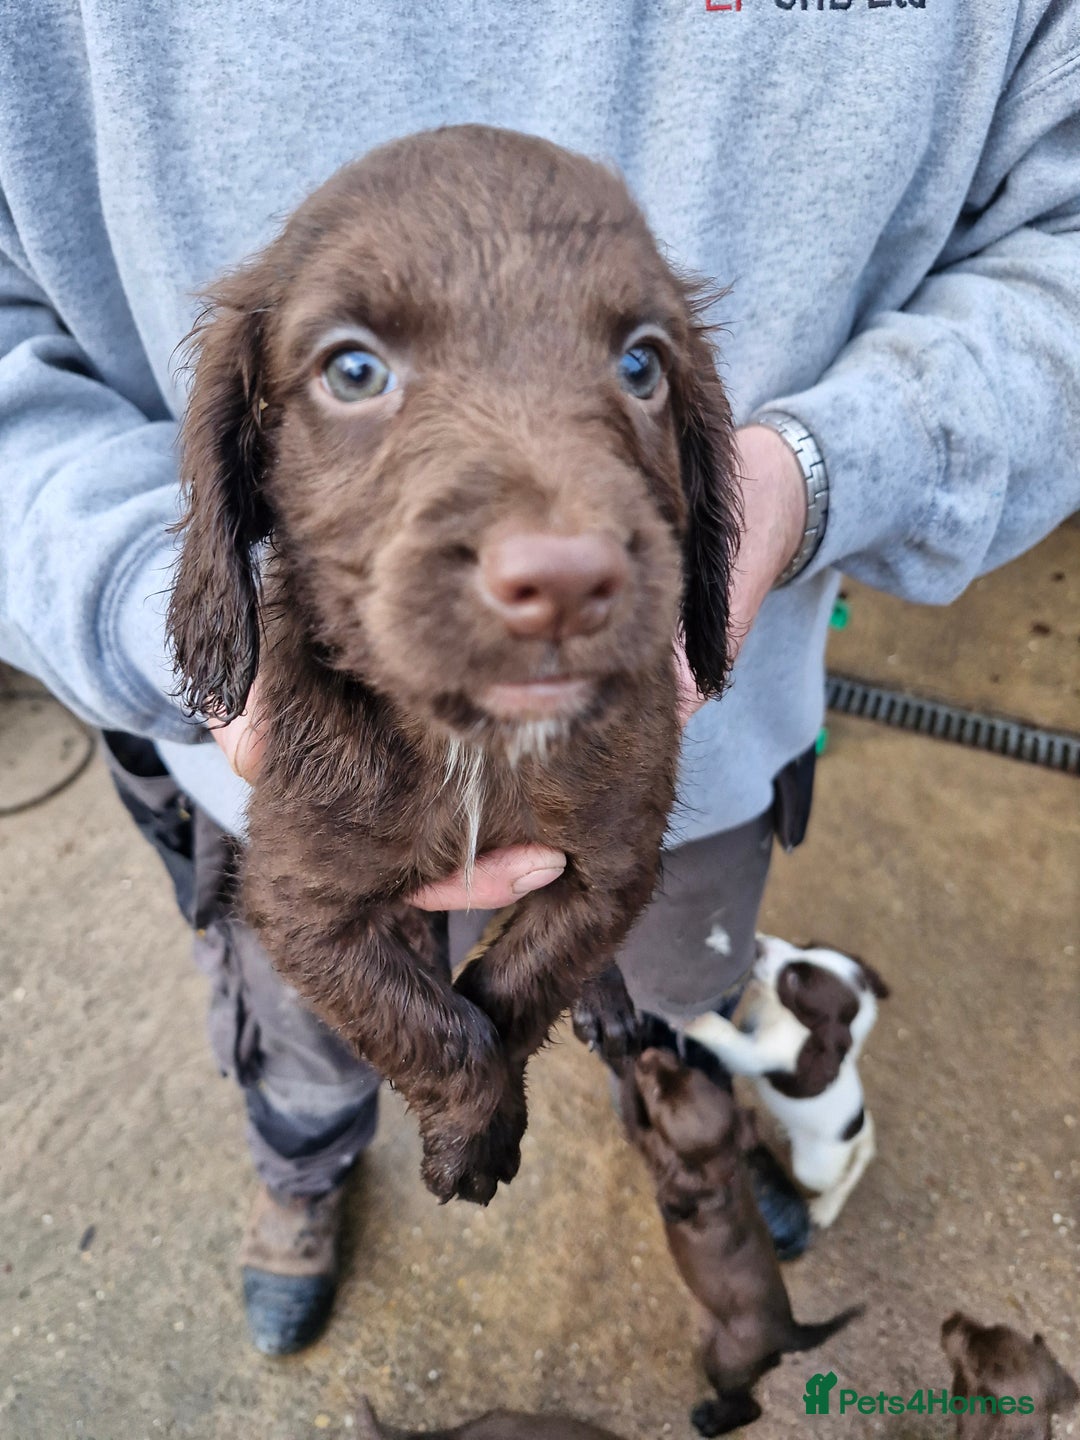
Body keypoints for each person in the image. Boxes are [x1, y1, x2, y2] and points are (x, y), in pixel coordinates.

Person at [2, 3, 1078, 1357]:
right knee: (303, 1013)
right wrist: (130, 591)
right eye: (356, 367)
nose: (547, 542)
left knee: (656, 978)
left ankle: (663, 1107)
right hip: (263, 748)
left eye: (634, 367)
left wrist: (808, 479)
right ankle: (303, 1161)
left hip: (693, 739)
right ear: (246, 442)